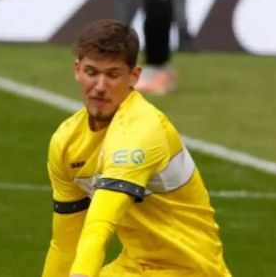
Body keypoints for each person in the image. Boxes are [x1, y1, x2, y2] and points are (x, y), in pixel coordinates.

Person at [42, 19, 229, 277]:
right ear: (77, 70)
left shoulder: (141, 131)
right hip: (135, 267)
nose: (99, 86)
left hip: (190, 271)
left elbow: (100, 225)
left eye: (112, 75)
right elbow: (65, 245)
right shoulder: (66, 142)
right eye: (92, 72)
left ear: (134, 77)